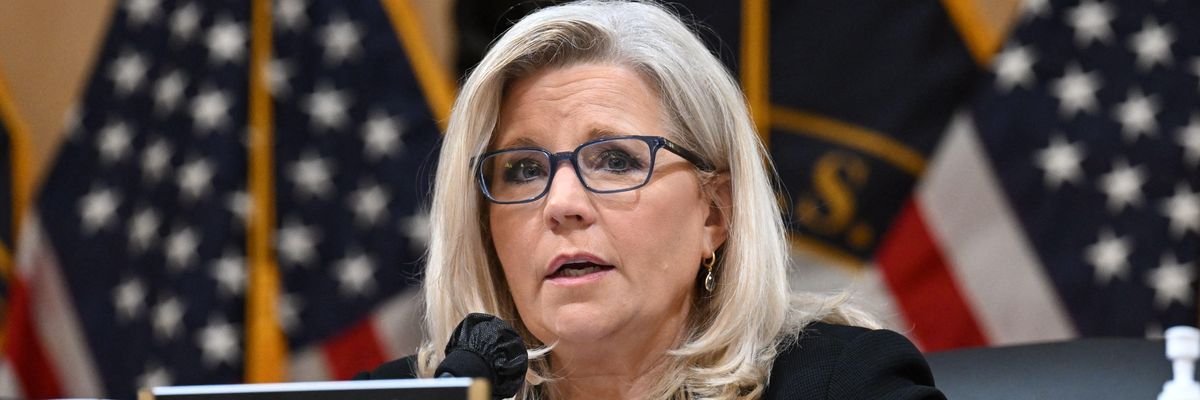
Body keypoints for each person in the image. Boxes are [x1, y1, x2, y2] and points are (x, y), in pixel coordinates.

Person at [358, 1, 945, 399]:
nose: (562, 203)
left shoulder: (843, 384)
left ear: (715, 212)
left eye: (616, 160)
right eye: (523, 169)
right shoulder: (418, 395)